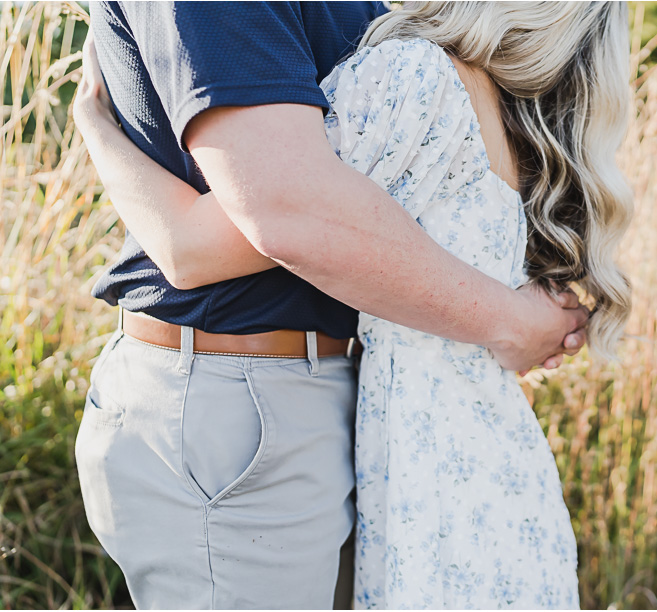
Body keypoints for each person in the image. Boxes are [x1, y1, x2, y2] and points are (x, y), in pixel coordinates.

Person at [74, 1, 592, 609]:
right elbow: (271, 214)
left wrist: (95, 126)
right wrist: (506, 319)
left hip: (339, 398)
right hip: (238, 397)